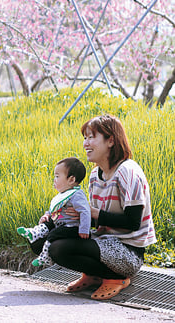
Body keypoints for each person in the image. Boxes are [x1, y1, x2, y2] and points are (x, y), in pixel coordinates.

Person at [47, 114, 157, 301]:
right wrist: (57, 218)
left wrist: (93, 213)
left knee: (59, 248)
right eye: (85, 138)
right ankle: (94, 275)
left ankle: (116, 278)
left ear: (111, 141)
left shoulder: (127, 172)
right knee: (44, 240)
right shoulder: (94, 175)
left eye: (92, 137)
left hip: (127, 252)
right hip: (102, 242)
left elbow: (133, 223)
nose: (86, 143)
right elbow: (91, 220)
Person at [17, 157, 91, 267]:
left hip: (71, 227)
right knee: (48, 222)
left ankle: (44, 257)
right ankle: (34, 232)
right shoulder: (63, 195)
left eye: (57, 176)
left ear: (71, 180)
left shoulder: (77, 195)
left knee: (52, 235)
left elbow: (85, 211)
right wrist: (47, 215)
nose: (54, 179)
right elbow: (54, 210)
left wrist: (84, 229)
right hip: (60, 223)